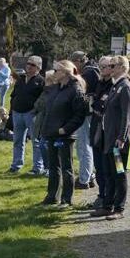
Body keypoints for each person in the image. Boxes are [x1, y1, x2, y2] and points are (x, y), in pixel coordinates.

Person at [39, 60, 88, 207]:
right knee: (53, 166)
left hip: (65, 135)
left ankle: (67, 199)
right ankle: (52, 196)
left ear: (65, 72)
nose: (54, 73)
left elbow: (79, 115)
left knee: (66, 167)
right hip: (51, 132)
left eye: (56, 71)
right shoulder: (55, 88)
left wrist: (65, 129)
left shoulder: (75, 89)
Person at [92, 55, 130, 221]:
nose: (109, 68)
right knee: (109, 173)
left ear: (122, 68)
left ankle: (119, 207)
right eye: (109, 65)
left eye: (113, 65)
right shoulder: (114, 86)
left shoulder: (125, 87)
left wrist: (122, 137)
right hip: (108, 139)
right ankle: (107, 205)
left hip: (118, 142)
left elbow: (127, 115)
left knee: (119, 173)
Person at [9, 55, 46, 175]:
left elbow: (43, 100)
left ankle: (37, 168)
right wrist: (12, 109)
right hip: (17, 113)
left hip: (31, 115)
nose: (28, 66)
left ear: (39, 67)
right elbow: (14, 94)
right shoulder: (21, 79)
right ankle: (16, 165)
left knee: (36, 142)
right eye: (28, 63)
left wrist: (35, 111)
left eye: (32, 65)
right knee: (17, 141)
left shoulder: (41, 81)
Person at [87, 56, 114, 210]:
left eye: (106, 67)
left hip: (109, 134)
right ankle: (102, 195)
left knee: (112, 169)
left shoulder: (115, 86)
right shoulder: (99, 84)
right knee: (99, 167)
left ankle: (111, 199)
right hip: (97, 131)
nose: (102, 70)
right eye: (100, 67)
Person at [71, 51, 99, 191]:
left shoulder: (87, 73)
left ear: (78, 61)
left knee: (84, 145)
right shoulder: (94, 70)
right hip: (92, 112)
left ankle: (84, 179)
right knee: (86, 144)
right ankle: (91, 175)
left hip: (86, 113)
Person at [32, 70, 56, 174]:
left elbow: (44, 105)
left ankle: (51, 168)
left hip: (50, 122)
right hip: (42, 121)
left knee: (45, 145)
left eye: (47, 79)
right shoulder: (45, 92)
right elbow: (37, 105)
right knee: (42, 145)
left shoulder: (53, 92)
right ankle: (48, 168)